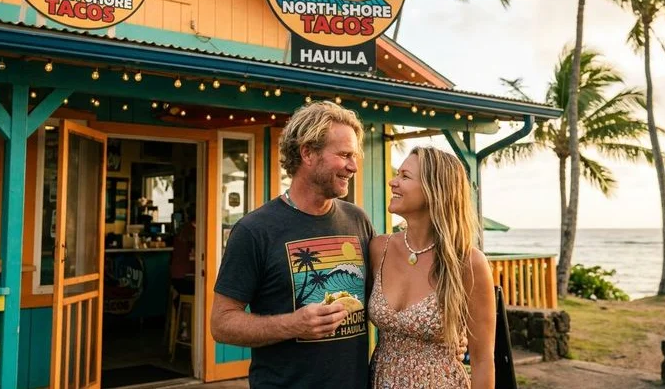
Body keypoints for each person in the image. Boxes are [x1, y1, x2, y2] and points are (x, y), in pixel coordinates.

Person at [211, 101, 375, 388]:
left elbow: (383, 299)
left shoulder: (357, 220)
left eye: (355, 156)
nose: (353, 166)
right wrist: (293, 324)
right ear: (308, 153)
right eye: (344, 155)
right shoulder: (254, 230)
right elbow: (221, 323)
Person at [368, 146, 495, 389]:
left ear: (435, 189)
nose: (392, 182)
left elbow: (482, 361)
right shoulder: (378, 249)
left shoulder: (468, 263)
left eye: (405, 176)